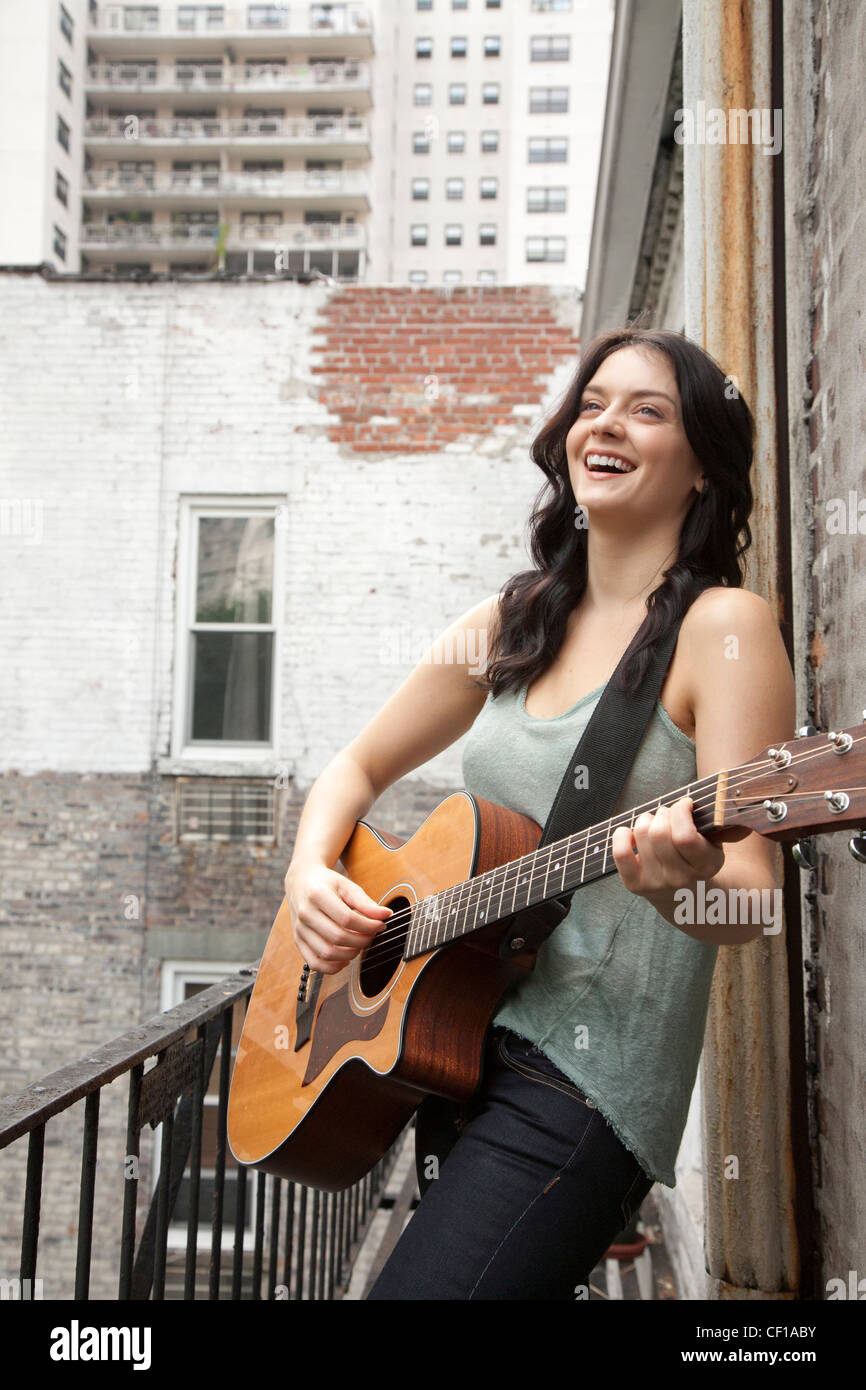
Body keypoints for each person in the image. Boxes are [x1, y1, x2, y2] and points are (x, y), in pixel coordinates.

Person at [283, 327, 796, 1300]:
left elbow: (754, 902)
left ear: (699, 470)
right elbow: (353, 765)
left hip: (581, 1092)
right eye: (591, 403)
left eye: (646, 410)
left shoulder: (723, 628)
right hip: (455, 1053)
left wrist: (676, 890)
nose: (604, 423)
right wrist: (311, 873)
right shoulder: (509, 622)